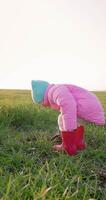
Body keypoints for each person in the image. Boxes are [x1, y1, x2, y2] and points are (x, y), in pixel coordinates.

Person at [31, 80, 105, 156]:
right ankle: (79, 144)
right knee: (76, 121)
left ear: (42, 96)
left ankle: (68, 147)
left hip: (86, 107)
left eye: (41, 102)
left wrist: (69, 128)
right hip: (90, 105)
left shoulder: (55, 91)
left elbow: (68, 106)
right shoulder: (56, 89)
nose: (43, 105)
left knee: (62, 119)